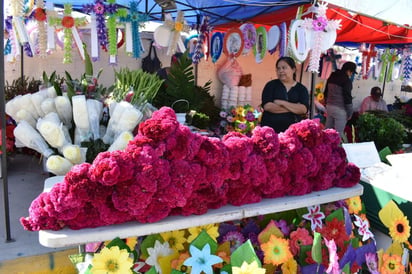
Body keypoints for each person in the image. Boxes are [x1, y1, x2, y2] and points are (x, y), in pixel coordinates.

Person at [260, 56, 309, 133]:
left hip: (293, 133)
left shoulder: (301, 89)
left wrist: (282, 103)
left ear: (293, 70)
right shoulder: (271, 85)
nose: (281, 71)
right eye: (278, 68)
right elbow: (267, 106)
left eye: (284, 68)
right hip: (270, 131)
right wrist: (294, 108)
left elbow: (303, 109)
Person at [324, 61, 357, 136]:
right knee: (338, 135)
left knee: (327, 132)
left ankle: (324, 147)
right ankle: (336, 147)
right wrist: (349, 113)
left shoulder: (332, 76)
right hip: (340, 109)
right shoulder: (346, 80)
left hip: (329, 106)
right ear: (348, 71)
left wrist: (326, 103)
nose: (351, 75)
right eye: (352, 73)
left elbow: (326, 92)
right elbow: (347, 98)